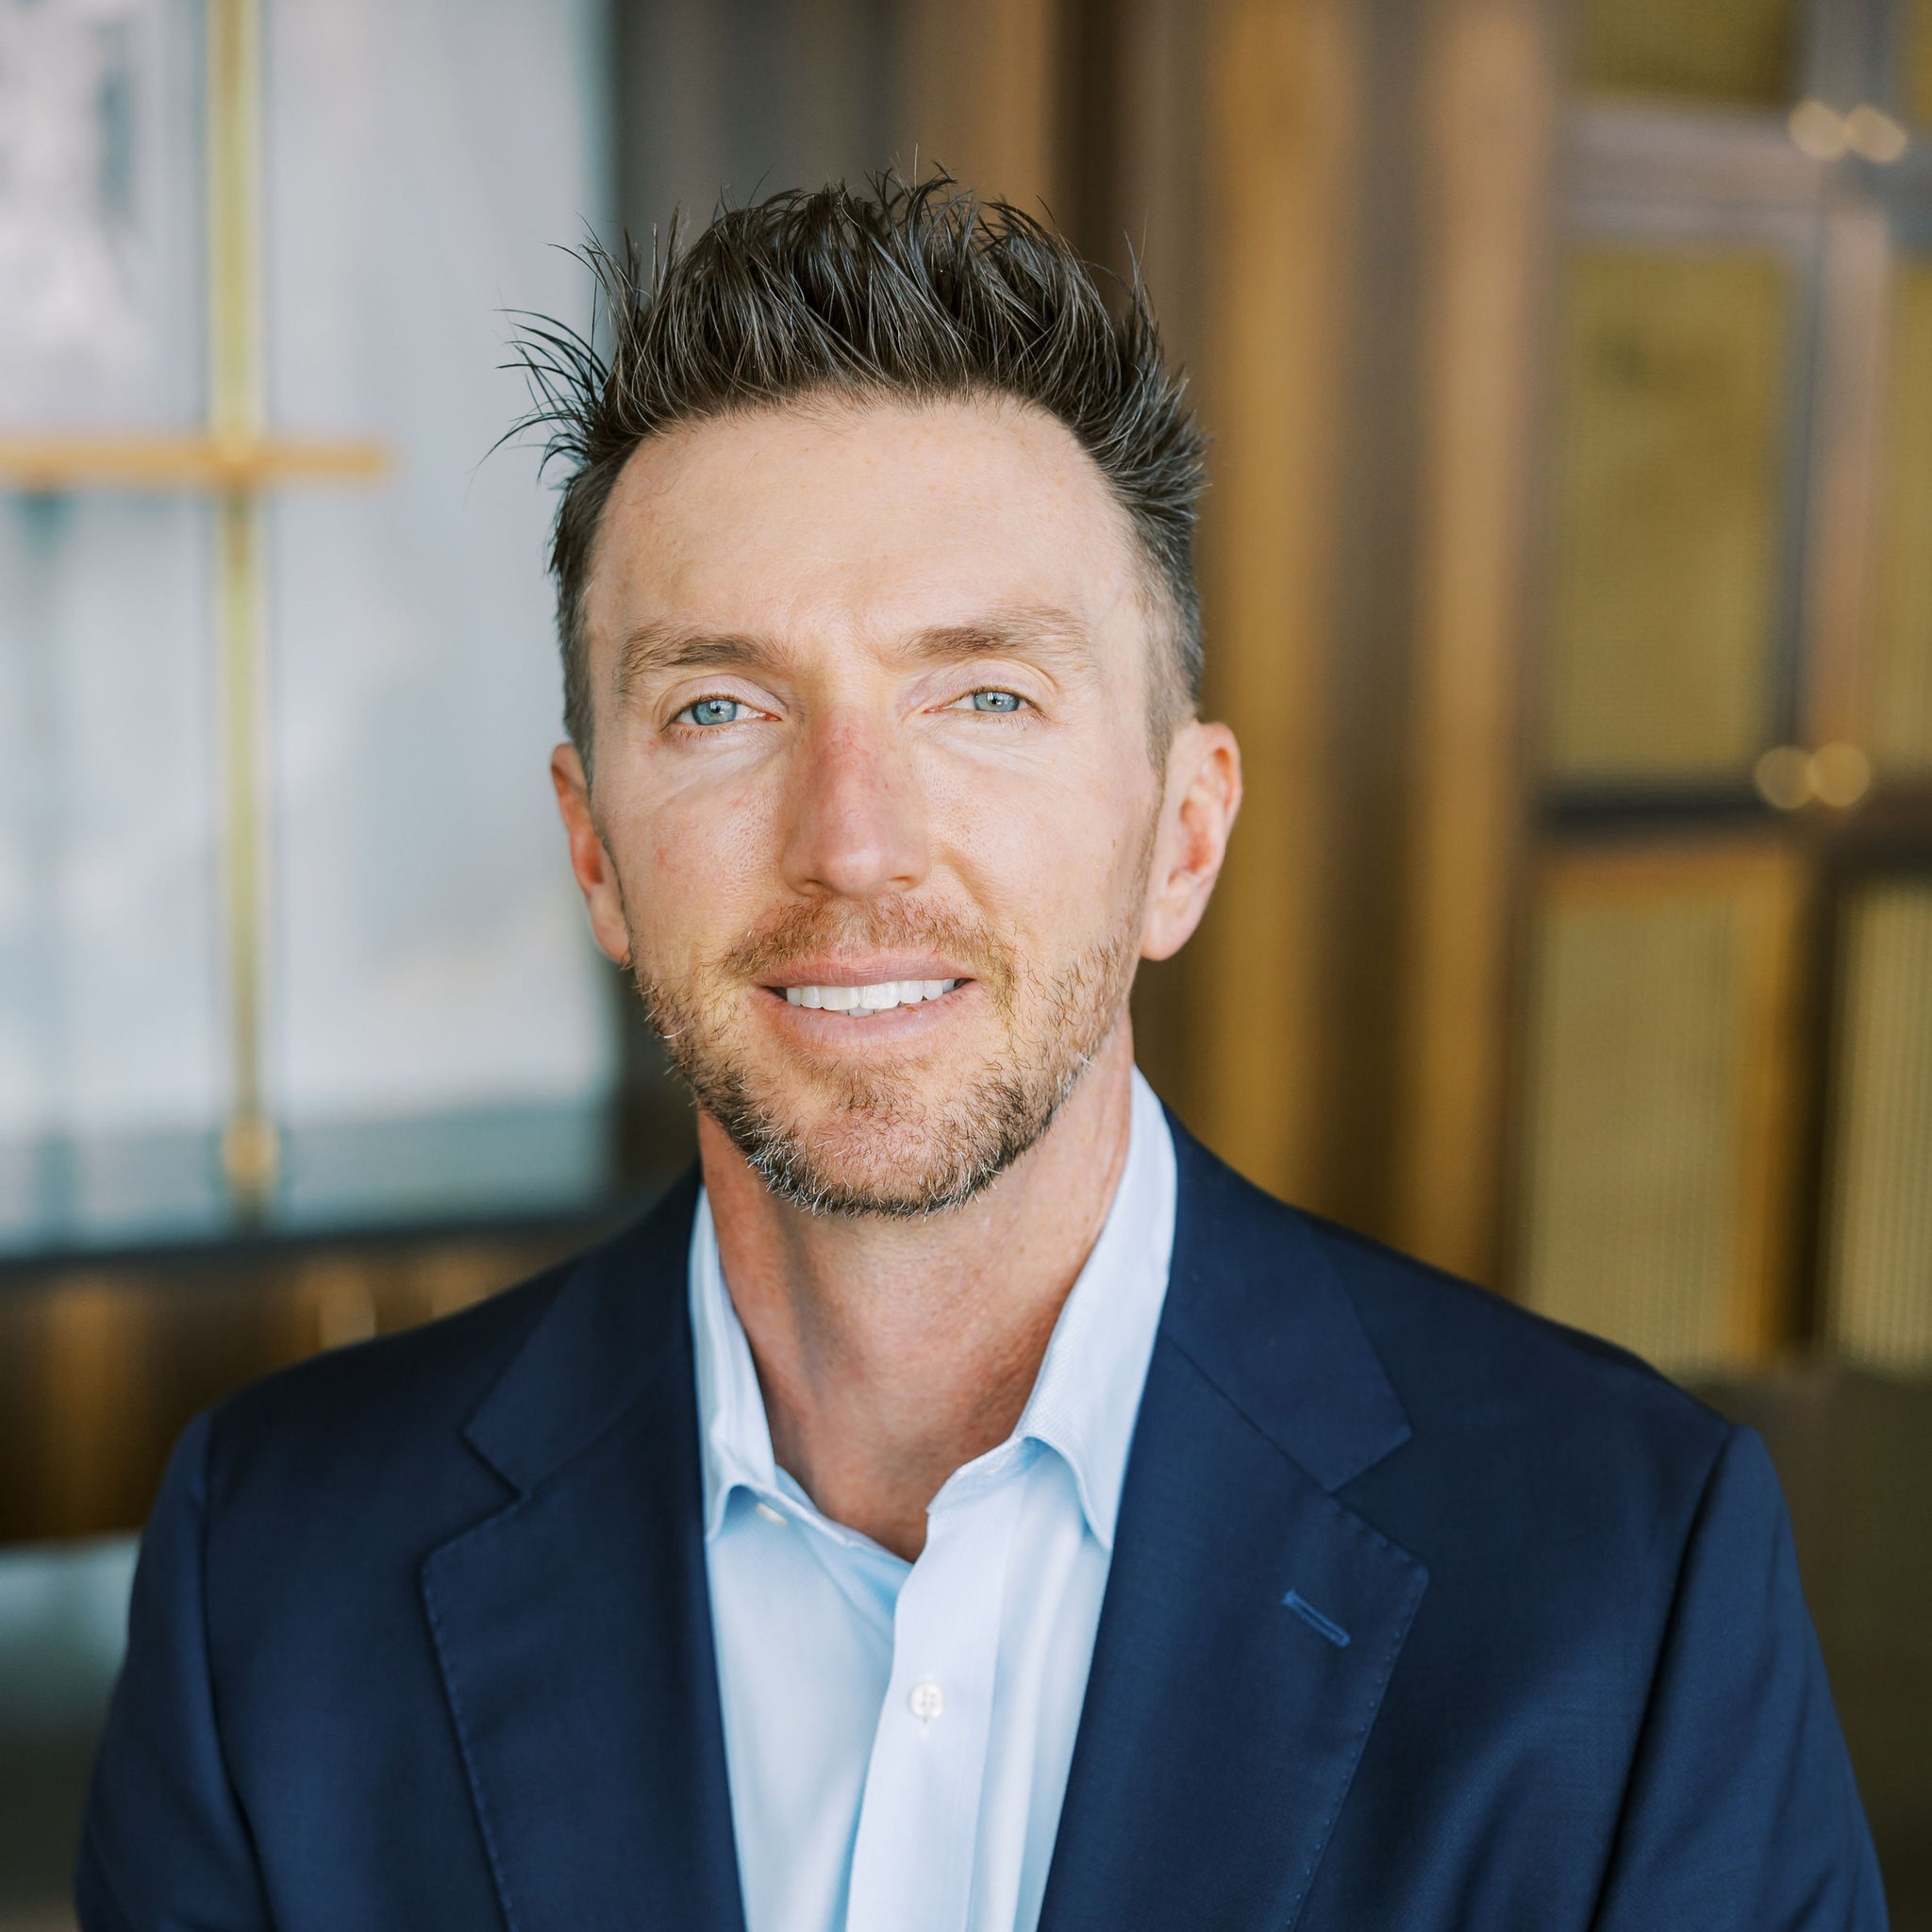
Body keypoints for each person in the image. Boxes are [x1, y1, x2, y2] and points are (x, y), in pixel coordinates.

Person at [78, 176, 1886, 1932]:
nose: (854, 842)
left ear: (1183, 837)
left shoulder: (1627, 1580)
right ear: (595, 852)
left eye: (987, 696)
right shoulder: (272, 1575)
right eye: (722, 707)